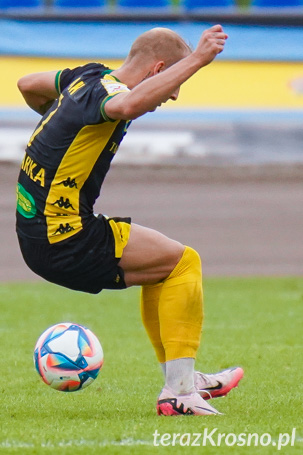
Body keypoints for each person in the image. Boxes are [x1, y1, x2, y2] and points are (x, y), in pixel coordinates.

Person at [15, 25, 244, 416]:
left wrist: (61, 122)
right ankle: (179, 392)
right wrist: (197, 60)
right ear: (157, 70)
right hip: (64, 236)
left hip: (36, 232)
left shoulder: (83, 78)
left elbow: (27, 84)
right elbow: (126, 106)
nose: (173, 94)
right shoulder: (109, 93)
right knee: (183, 264)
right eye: (174, 82)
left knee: (166, 265)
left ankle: (182, 381)